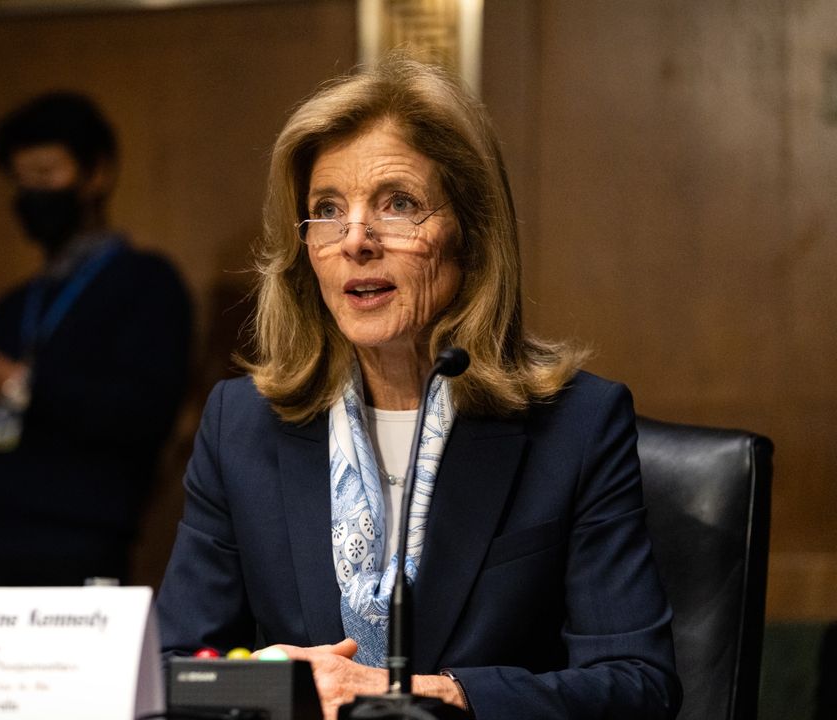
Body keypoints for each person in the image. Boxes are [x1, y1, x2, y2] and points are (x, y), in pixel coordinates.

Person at [155, 57, 681, 720]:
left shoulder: (577, 426)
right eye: (326, 210)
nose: (356, 241)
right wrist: (274, 687)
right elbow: (173, 677)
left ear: (470, 231)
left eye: (397, 204)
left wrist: (441, 694)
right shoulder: (241, 426)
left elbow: (637, 686)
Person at [0, 92, 192, 587]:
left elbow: (141, 416)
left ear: (97, 175)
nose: (32, 196)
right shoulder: (14, 305)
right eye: (21, 182)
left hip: (76, 544)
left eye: (45, 175)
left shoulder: (146, 283)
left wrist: (13, 383)